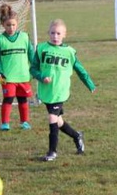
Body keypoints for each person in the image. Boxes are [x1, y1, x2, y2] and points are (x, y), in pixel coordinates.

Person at [30, 19, 95, 162]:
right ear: (48, 33)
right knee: (58, 121)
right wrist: (41, 77)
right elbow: (33, 69)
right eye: (52, 33)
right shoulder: (41, 49)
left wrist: (90, 84)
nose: (55, 36)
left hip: (60, 92)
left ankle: (52, 152)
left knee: (52, 118)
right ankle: (77, 136)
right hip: (47, 92)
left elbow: (80, 70)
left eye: (58, 33)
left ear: (65, 34)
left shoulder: (69, 52)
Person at [0, 3, 35, 131]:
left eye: (13, 25)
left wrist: (34, 69)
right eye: (8, 25)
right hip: (7, 77)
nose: (11, 28)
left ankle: (24, 122)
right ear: (3, 24)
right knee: (8, 99)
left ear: (17, 24)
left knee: (23, 100)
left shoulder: (24, 37)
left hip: (23, 75)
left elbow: (31, 54)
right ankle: (5, 123)